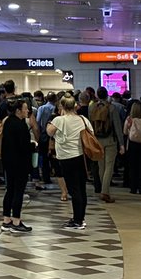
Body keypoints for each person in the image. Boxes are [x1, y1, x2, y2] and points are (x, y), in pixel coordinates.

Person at [48, 95, 91, 229]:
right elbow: (91, 133)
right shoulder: (83, 119)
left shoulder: (60, 120)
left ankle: (77, 220)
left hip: (66, 158)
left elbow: (49, 132)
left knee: (73, 189)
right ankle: (80, 217)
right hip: (81, 156)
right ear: (75, 106)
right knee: (81, 188)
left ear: (62, 106)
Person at [0, 98, 34, 234]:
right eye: (25, 108)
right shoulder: (20, 125)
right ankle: (16, 221)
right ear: (19, 110)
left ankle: (6, 220)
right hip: (20, 163)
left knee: (10, 190)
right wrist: (32, 145)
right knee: (18, 191)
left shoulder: (8, 121)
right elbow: (23, 146)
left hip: (8, 161)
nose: (27, 110)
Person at [88, 88, 124, 202]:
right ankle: (105, 192)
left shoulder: (92, 108)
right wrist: (121, 144)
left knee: (101, 167)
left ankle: (103, 189)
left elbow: (90, 125)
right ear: (107, 95)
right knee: (109, 166)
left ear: (97, 95)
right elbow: (117, 127)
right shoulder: (112, 107)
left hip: (97, 140)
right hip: (110, 140)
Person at [123, 101, 141, 194]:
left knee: (132, 167)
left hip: (132, 144)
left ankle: (133, 188)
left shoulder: (129, 119)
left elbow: (125, 132)